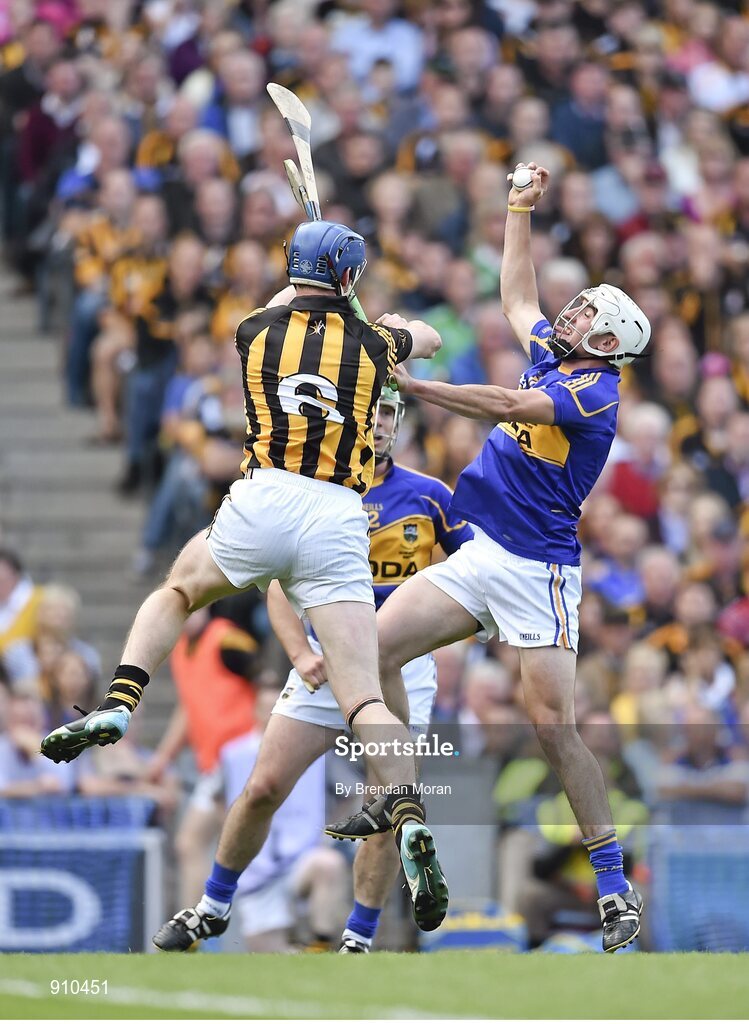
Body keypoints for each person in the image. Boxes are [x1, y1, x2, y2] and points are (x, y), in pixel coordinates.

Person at [40, 218, 448, 942]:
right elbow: (429, 338)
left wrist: (336, 293)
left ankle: (121, 699)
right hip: (334, 514)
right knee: (362, 694)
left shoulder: (253, 327)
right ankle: (409, 810)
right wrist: (386, 322)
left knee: (177, 590)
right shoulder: (373, 346)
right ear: (348, 280)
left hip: (260, 498)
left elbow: (292, 305)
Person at [356, 161, 651, 953]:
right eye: (579, 299)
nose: (569, 310)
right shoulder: (557, 352)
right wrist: (518, 209)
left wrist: (413, 387)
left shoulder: (594, 392)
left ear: (603, 341)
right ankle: (399, 796)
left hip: (537, 572)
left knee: (553, 729)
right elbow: (516, 295)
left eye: (585, 310)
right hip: (481, 553)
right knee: (370, 651)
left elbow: (504, 404)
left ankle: (614, 887)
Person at [158, 385, 472, 953]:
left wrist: (445, 633)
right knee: (262, 786)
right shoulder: (315, 493)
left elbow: (473, 575)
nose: (378, 423)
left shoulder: (431, 497)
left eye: (388, 413)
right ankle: (213, 904)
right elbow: (277, 583)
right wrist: (300, 656)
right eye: (370, 411)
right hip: (326, 663)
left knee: (387, 800)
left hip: (399, 670)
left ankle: (358, 940)